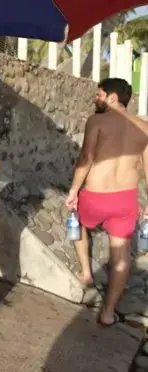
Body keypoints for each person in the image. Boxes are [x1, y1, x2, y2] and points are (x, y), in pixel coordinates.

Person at [65, 78, 148, 327]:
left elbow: (87, 157)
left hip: (95, 195)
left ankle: (87, 273)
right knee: (121, 256)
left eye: (99, 94)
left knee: (76, 220)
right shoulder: (145, 127)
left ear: (112, 97)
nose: (94, 98)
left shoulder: (97, 121)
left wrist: (73, 191)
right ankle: (108, 312)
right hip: (126, 199)